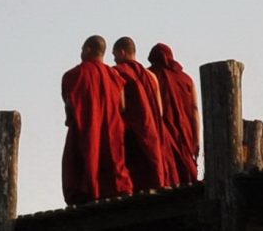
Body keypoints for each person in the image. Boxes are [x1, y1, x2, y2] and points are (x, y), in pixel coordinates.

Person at [61, 35, 133, 204]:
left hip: (85, 131)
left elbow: (70, 104)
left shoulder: (74, 74)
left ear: (87, 49)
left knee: (80, 165)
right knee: (113, 163)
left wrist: (70, 118)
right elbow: (122, 105)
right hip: (112, 131)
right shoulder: (115, 75)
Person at [108, 37, 170, 191]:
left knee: (134, 176)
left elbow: (120, 105)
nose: (114, 59)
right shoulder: (151, 76)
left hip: (130, 132)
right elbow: (160, 110)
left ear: (122, 52)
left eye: (114, 54)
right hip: (152, 130)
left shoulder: (117, 72)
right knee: (151, 168)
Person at [145, 43, 200, 186]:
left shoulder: (149, 76)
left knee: (169, 170)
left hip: (164, 133)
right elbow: (194, 109)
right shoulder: (186, 79)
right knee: (187, 169)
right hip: (185, 133)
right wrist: (197, 138)